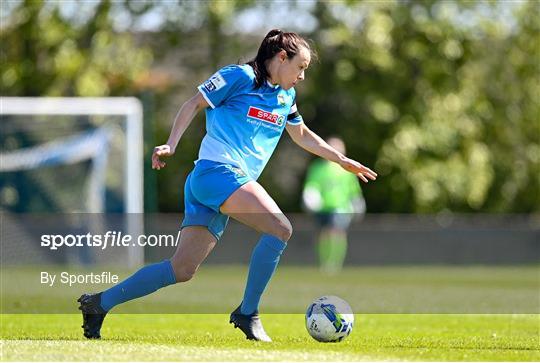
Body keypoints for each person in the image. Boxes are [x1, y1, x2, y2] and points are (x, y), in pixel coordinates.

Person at [78, 29, 377, 342]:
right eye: (300, 67)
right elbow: (193, 104)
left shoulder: (286, 96)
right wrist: (171, 145)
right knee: (280, 229)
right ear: (281, 57)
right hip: (217, 173)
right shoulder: (240, 77)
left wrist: (340, 159)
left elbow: (301, 134)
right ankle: (248, 313)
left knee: (181, 269)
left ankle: (99, 303)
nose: (302, 76)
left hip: (215, 185)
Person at [302, 137, 366, 274]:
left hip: (340, 207)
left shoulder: (348, 169)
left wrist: (357, 202)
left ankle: (335, 264)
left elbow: (353, 190)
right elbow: (312, 186)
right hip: (322, 207)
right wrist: (310, 196)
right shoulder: (317, 168)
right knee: (323, 235)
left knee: (336, 232)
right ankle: (324, 263)